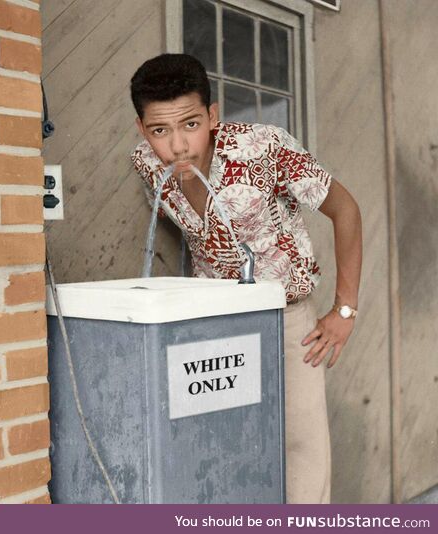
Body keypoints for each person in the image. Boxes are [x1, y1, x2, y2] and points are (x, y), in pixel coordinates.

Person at [129, 53, 362, 504]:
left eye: (191, 124)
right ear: (143, 130)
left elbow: (346, 209)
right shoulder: (146, 163)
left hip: (287, 318)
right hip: (213, 321)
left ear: (212, 116)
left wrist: (345, 309)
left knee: (301, 446)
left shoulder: (265, 147)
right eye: (160, 130)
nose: (178, 145)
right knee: (221, 441)